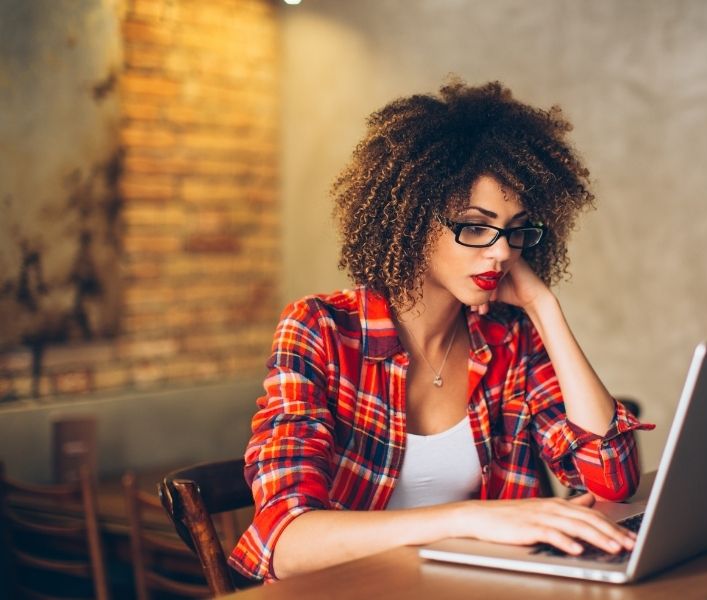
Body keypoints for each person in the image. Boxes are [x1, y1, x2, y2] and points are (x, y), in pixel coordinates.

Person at [229, 80, 653, 582]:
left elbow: (611, 480)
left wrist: (544, 307)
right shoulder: (320, 329)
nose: (502, 252)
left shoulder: (509, 337)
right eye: (475, 226)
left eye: (516, 229)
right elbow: (284, 541)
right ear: (410, 219)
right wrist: (470, 518)